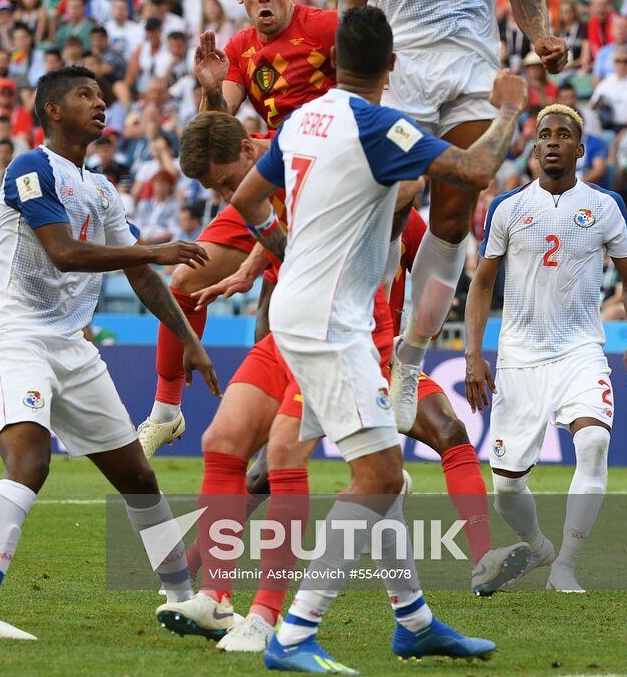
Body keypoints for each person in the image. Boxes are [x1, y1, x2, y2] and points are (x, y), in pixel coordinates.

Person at [152, 112, 530, 652]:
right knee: (228, 443)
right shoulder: (289, 144)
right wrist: (254, 265)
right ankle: (222, 598)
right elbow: (268, 212)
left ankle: (271, 622)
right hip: (292, 324)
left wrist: (508, 109)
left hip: (348, 329)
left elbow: (433, 185)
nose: (225, 193)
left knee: (334, 468)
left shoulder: (358, 138)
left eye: (223, 181)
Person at [228, 5, 529, 671]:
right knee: (379, 474)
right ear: (392, 67)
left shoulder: (303, 119)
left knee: (381, 465)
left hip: (311, 311)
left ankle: (414, 621)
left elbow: (248, 201)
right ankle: (296, 634)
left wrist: (290, 253)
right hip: (330, 322)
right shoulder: (377, 122)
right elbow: (476, 170)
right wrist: (508, 110)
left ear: (333, 62)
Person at [334, 0, 568, 432]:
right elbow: (353, 10)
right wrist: (354, 93)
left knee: (454, 219)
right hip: (401, 79)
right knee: (391, 201)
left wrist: (541, 34)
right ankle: (367, 342)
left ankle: (409, 358)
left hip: (472, 76)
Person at [0, 66, 220, 641]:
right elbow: (62, 253)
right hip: (14, 335)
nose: (101, 105)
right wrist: (156, 248)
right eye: (85, 96)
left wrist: (193, 344)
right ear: (53, 110)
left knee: (138, 477)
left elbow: (144, 279)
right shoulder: (30, 168)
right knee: (30, 462)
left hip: (72, 348)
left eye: (103, 96)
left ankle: (182, 600)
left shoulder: (101, 189)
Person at [136, 0, 337, 455]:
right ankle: (165, 410)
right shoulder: (240, 48)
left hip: (327, 187)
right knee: (184, 280)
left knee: (272, 333)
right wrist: (207, 89)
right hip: (264, 181)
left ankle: (340, 452)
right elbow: (217, 135)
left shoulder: (326, 29)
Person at [465, 103, 627, 594]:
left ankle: (564, 565)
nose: (551, 140)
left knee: (593, 443)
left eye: (562, 134)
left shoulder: (605, 204)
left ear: (578, 148)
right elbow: (482, 285)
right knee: (506, 488)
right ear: (533, 149)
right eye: (543, 134)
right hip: (519, 357)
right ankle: (539, 547)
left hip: (580, 351)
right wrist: (473, 355)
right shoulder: (508, 208)